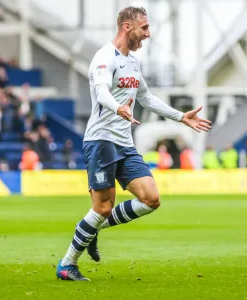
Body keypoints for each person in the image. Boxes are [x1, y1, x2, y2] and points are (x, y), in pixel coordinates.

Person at [56, 6, 212, 281]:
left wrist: (180, 117)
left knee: (151, 199)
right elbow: (101, 91)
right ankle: (67, 264)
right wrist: (118, 108)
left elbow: (146, 98)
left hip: (124, 144)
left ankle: (92, 229)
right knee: (102, 208)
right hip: (101, 141)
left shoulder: (133, 61)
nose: (148, 34)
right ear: (127, 27)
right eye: (145, 29)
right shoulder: (105, 58)